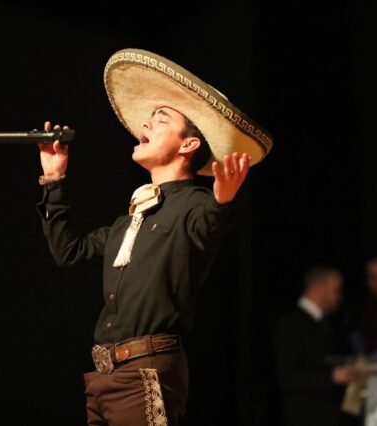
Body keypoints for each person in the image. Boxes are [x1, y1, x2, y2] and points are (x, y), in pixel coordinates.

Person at [35, 48, 272, 425]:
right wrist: (54, 178)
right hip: (103, 377)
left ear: (188, 145)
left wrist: (223, 199)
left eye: (161, 119)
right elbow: (69, 250)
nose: (146, 124)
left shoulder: (193, 205)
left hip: (144, 371)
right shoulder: (130, 221)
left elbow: (211, 224)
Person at [274, 265, 354, 426]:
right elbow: (286, 377)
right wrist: (332, 377)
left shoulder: (329, 323)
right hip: (307, 417)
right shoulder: (291, 324)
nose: (339, 297)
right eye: (336, 291)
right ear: (317, 288)